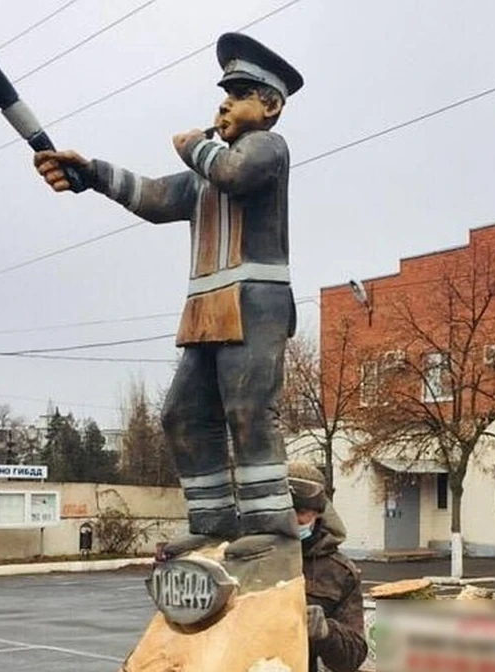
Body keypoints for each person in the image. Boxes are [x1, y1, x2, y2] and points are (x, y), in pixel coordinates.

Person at [33, 33, 305, 560]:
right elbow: (155, 197)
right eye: (223, 95)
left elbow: (234, 171)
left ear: (270, 105)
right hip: (206, 308)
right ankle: (212, 519)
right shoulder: (202, 179)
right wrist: (91, 173)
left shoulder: (267, 149)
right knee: (182, 414)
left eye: (240, 93)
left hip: (254, 302)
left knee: (249, 409)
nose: (225, 103)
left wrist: (191, 144)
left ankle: (271, 522)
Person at [287, 462, 368, 672]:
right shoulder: (234, 554)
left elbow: (352, 658)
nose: (292, 519)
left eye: (301, 511)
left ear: (318, 513)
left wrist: (326, 632)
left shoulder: (338, 572)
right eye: (284, 509)